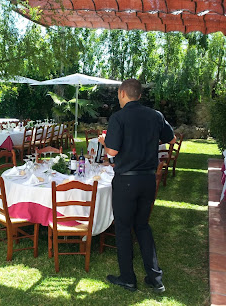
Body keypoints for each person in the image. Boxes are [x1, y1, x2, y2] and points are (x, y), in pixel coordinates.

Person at [98, 79, 176, 293]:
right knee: (142, 226)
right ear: (139, 95)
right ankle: (155, 278)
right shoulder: (156, 116)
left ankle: (127, 278)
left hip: (126, 180)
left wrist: (104, 142)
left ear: (122, 93)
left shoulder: (118, 117)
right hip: (148, 179)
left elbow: (112, 152)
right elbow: (172, 139)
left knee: (123, 228)